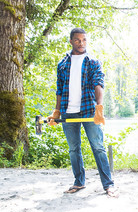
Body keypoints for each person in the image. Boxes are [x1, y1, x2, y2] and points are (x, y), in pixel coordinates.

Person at [47, 27, 118, 197]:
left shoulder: (93, 61)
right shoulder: (63, 64)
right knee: (73, 149)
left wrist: (99, 107)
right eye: (78, 40)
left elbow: (98, 84)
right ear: (71, 41)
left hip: (88, 110)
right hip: (67, 111)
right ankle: (79, 182)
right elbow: (59, 89)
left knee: (98, 147)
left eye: (84, 40)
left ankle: (108, 185)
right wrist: (57, 111)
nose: (81, 43)